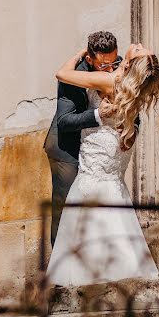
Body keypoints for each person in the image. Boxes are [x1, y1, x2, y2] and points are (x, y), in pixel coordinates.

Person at [46, 42, 159, 286]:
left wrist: (79, 54)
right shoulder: (135, 84)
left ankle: (92, 270)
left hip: (102, 141)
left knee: (92, 190)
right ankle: (122, 263)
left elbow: (62, 74)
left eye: (140, 50)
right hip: (116, 146)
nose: (139, 44)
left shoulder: (110, 81)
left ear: (130, 64)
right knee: (111, 191)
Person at [43, 31, 121, 246]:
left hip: (98, 149)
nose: (110, 69)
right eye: (103, 65)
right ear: (89, 59)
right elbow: (64, 121)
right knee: (66, 208)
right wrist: (98, 115)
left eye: (114, 61)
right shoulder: (74, 75)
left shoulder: (118, 67)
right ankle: (60, 270)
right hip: (67, 149)